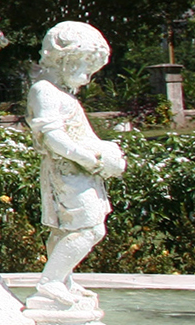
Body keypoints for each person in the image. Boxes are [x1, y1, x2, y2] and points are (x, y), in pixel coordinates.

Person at [26, 21, 125, 310]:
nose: (88, 77)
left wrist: (106, 152)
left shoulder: (60, 92)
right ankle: (51, 282)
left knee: (66, 229)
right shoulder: (44, 90)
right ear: (65, 59)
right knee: (89, 229)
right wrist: (89, 158)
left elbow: (81, 134)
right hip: (67, 171)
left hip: (80, 170)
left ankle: (62, 279)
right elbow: (52, 135)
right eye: (85, 67)